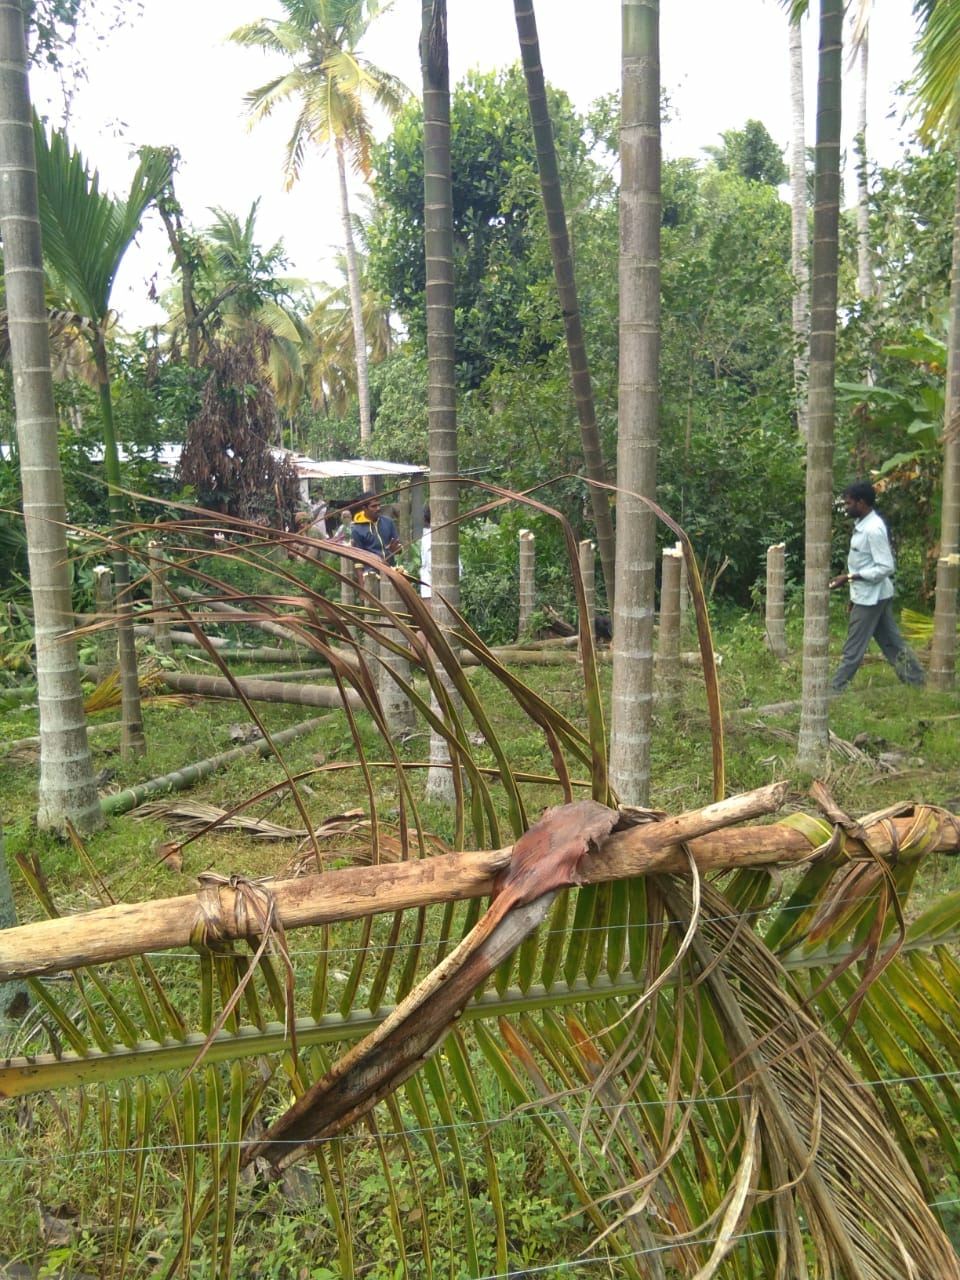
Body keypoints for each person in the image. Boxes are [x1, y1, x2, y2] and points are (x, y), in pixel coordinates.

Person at [828, 481, 925, 693]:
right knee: (891, 641)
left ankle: (834, 690)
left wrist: (851, 577)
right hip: (872, 595)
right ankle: (917, 680)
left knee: (854, 647)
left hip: (871, 598)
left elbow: (885, 566)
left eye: (849, 503)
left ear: (861, 503)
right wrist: (853, 592)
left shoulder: (873, 529)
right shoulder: (864, 525)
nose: (846, 507)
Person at [349, 491, 401, 565]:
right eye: (374, 506)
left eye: (379, 505)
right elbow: (358, 561)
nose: (378, 508)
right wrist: (362, 576)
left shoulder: (388, 522)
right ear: (364, 508)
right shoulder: (357, 530)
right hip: (371, 573)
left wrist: (396, 549)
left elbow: (399, 548)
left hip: (391, 570)